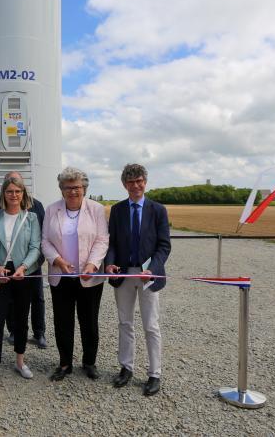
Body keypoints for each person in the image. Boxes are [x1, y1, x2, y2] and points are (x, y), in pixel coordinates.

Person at [105, 164, 171, 396]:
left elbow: (164, 245)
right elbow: (111, 242)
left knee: (151, 325)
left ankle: (154, 374)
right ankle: (126, 367)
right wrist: (109, 263)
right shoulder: (118, 210)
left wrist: (152, 269)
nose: (136, 186)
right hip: (124, 275)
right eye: (131, 182)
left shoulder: (158, 210)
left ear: (145, 182)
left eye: (139, 180)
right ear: (124, 185)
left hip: (148, 277)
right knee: (125, 322)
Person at [41, 166, 109, 381]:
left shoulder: (96, 209)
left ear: (84, 188)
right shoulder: (52, 210)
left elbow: (102, 239)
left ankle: (89, 362)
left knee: (89, 321)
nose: (73, 191)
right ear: (61, 189)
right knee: (63, 321)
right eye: (68, 187)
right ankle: (64, 363)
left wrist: (93, 263)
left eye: (77, 187)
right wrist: (57, 260)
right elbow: (45, 241)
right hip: (61, 276)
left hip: (89, 277)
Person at [0, 176, 41, 393]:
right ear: (3, 194)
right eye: (9, 191)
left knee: (21, 320)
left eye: (18, 191)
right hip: (0, 274)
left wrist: (24, 266)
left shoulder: (31, 218)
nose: (14, 195)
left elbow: (35, 247)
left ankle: (20, 361)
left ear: (23, 194)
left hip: (22, 275)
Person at [0, 171, 47, 349]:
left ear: (22, 188)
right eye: (8, 187)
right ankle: (13, 330)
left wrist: (33, 262)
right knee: (10, 300)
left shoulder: (36, 206)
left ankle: (39, 332)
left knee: (37, 297)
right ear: (4, 189)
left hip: (31, 264)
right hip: (4, 263)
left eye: (17, 187)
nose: (13, 193)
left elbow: (41, 236)